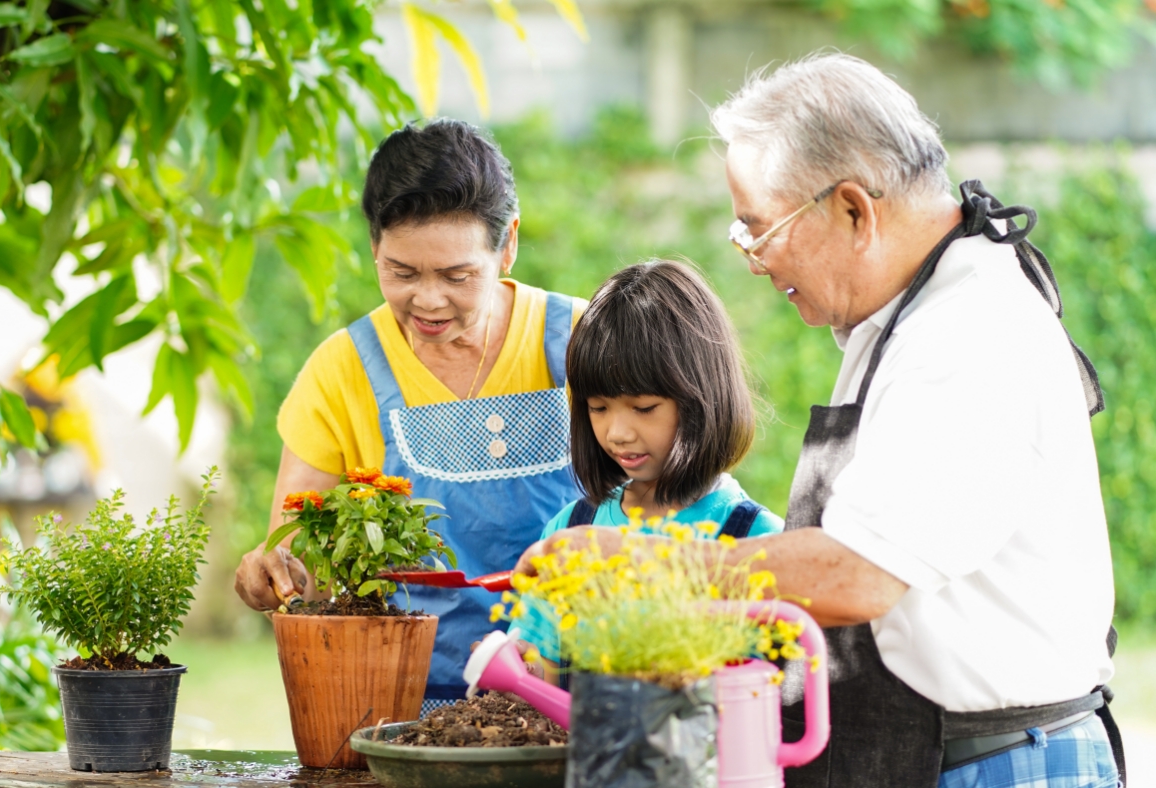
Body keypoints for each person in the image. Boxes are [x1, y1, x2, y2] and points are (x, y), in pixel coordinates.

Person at [515, 54, 1121, 788]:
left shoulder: (968, 334)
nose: (752, 260)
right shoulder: (902, 321)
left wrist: (645, 564)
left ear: (854, 210)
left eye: (757, 230)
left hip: (993, 765)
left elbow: (859, 573)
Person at [233, 118, 587, 709]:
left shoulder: (584, 341)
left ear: (509, 245)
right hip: (407, 707)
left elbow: (662, 506)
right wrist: (272, 574)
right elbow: (299, 561)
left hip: (577, 694)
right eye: (401, 272)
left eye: (457, 275)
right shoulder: (341, 371)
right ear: (374, 247)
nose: (427, 300)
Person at [509, 260, 783, 683]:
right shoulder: (571, 531)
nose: (617, 433)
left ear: (702, 398)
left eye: (644, 408)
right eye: (597, 408)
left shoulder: (755, 538)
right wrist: (515, 667)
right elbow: (536, 671)